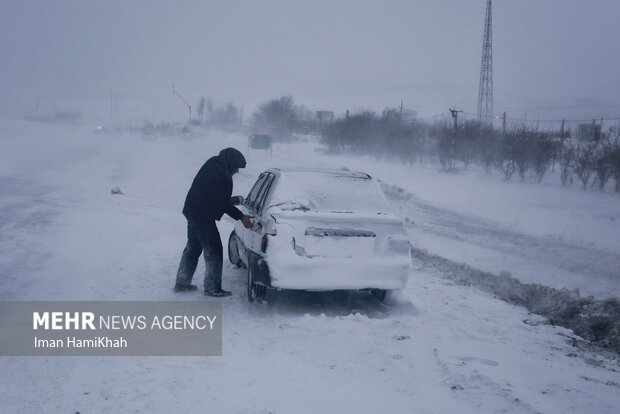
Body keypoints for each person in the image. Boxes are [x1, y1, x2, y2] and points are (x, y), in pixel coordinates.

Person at [174, 148, 254, 296]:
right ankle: (212, 288)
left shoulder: (215, 164)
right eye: (236, 168)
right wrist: (241, 217)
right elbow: (219, 202)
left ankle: (182, 282)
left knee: (193, 248)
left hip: (194, 211)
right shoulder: (217, 174)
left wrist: (234, 200)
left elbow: (214, 195)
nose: (236, 172)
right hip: (201, 215)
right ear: (230, 163)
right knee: (214, 251)